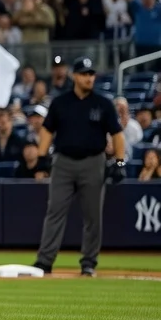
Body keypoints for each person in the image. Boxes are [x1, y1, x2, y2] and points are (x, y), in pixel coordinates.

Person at [33, 57, 125, 276]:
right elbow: (47, 130)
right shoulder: (61, 102)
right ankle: (45, 261)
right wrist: (41, 157)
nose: (89, 78)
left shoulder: (102, 104)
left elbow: (117, 133)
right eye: (84, 74)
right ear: (74, 76)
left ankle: (89, 263)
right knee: (55, 211)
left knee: (93, 215)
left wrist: (120, 161)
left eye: (91, 74)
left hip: (93, 162)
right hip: (63, 163)